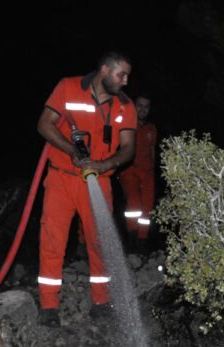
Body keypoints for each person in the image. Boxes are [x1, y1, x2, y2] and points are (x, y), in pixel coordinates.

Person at [36, 51, 138, 326]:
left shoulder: (124, 107)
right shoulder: (68, 87)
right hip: (61, 178)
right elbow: (44, 124)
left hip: (99, 180)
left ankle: (101, 301)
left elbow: (128, 149)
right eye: (122, 74)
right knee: (52, 239)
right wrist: (71, 150)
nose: (126, 81)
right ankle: (48, 305)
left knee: (99, 240)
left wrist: (106, 164)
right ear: (105, 70)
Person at [118, 95, 157, 250]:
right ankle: (132, 238)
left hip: (147, 172)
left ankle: (142, 240)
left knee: (147, 207)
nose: (142, 109)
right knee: (134, 205)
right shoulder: (127, 124)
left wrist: (152, 170)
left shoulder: (151, 128)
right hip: (129, 170)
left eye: (146, 106)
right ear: (134, 106)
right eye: (139, 105)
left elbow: (152, 150)